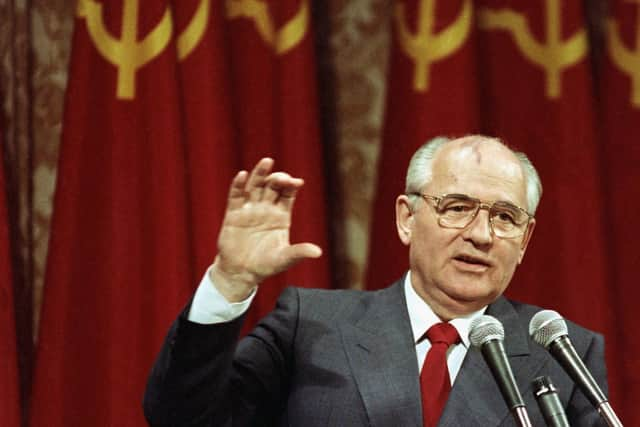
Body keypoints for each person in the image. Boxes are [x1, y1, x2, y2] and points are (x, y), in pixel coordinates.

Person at [144, 135, 609, 426]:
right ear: (407, 218)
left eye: (505, 217)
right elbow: (180, 416)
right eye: (457, 208)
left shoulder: (561, 353)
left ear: (525, 239)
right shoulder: (312, 326)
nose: (481, 235)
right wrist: (230, 280)